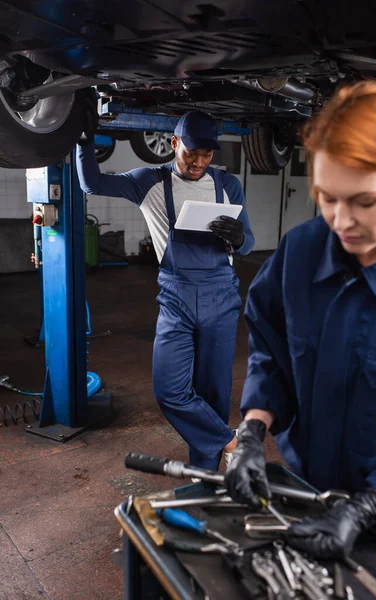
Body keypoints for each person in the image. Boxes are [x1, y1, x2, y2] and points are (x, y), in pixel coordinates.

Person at [226, 80, 376, 559]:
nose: (342, 220)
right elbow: (273, 348)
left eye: (365, 202)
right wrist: (252, 432)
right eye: (327, 197)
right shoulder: (301, 251)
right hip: (312, 499)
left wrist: (372, 504)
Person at [76, 99, 255, 471]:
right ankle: (228, 440)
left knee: (214, 393)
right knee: (170, 390)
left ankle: (206, 477)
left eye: (206, 155)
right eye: (192, 153)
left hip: (221, 296)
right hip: (176, 296)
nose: (199, 163)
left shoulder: (227, 185)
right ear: (174, 144)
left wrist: (238, 237)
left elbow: (249, 242)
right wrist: (83, 141)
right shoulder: (148, 183)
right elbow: (91, 183)